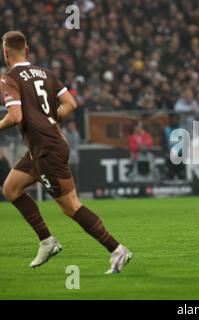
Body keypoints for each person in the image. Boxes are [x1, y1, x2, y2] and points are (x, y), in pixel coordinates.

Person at [0, 31, 132, 273]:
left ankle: (117, 249)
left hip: (46, 149)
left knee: (71, 206)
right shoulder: (46, 73)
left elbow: (16, 116)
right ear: (27, 51)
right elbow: (71, 103)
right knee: (11, 188)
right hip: (44, 146)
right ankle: (47, 241)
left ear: (5, 52)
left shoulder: (8, 78)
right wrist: (50, 119)